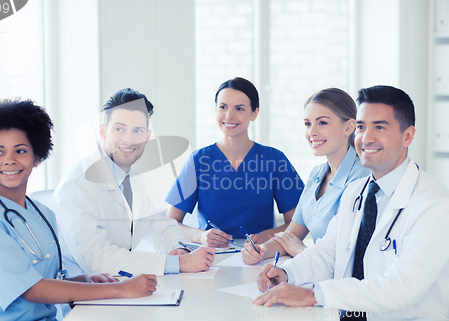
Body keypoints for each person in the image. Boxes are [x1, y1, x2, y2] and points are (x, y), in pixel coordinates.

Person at [253, 86, 449, 320]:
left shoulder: (434, 204)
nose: (366, 138)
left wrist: (315, 294)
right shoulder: (357, 191)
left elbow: (401, 287)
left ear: (407, 136)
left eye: (379, 127)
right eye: (361, 127)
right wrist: (286, 273)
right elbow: (328, 252)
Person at [0, 99, 157, 321]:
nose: (9, 160)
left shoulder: (41, 213)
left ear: (36, 158)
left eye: (20, 151)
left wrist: (82, 279)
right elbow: (31, 289)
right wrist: (122, 289)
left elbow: (47, 279)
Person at [53, 88, 215, 278]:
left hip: (120, 288)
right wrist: (177, 264)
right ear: (103, 132)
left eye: (137, 131)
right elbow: (97, 260)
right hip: (83, 300)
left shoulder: (132, 180)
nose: (129, 139)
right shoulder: (78, 185)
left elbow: (159, 225)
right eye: (119, 129)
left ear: (147, 136)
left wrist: (178, 249)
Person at [166, 77, 304, 248]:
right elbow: (170, 223)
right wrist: (200, 236)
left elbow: (298, 223)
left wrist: (267, 235)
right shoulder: (199, 161)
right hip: (209, 258)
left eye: (239, 108)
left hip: (261, 256)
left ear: (254, 113)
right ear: (215, 110)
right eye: (223, 107)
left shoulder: (274, 160)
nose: (229, 116)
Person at [242, 88, 369, 264]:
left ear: (349, 127)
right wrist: (260, 251)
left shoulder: (362, 179)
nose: (312, 132)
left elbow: (349, 258)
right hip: (317, 272)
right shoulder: (317, 174)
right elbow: (292, 235)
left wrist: (301, 251)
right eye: (308, 124)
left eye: (322, 123)